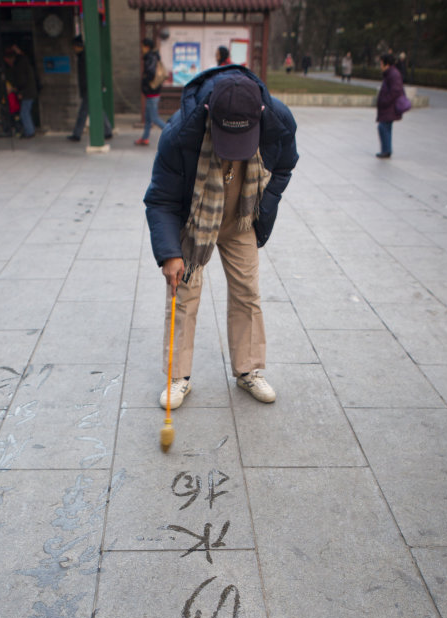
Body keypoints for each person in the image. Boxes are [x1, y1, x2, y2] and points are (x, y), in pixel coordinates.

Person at [144, 67, 298, 408]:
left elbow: (285, 166)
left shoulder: (278, 121)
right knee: (182, 295)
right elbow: (160, 199)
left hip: (241, 217)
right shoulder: (180, 132)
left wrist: (262, 210)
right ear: (209, 114)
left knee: (247, 292)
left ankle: (249, 370)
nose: (232, 152)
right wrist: (170, 252)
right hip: (196, 220)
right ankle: (178, 376)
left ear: (259, 114)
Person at [68, 35, 113, 142]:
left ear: (78, 46)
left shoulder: (85, 57)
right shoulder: (83, 56)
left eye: (74, 46)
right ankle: (107, 131)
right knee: (98, 110)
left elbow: (94, 73)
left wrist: (98, 86)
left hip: (89, 89)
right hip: (89, 89)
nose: (73, 49)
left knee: (83, 113)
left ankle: (77, 134)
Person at [135, 38, 166, 146]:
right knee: (148, 118)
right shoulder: (153, 57)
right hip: (151, 93)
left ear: (146, 47)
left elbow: (150, 73)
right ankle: (145, 138)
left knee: (154, 118)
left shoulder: (150, 57)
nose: (141, 49)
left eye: (142, 46)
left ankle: (171, 132)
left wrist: (144, 81)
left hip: (152, 92)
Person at [3, 45, 38, 138]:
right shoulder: (24, 62)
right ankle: (30, 130)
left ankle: (29, 132)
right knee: (26, 112)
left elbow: (22, 82)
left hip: (27, 92)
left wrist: (18, 91)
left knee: (24, 113)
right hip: (29, 92)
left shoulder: (20, 66)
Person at [376, 52, 405, 158]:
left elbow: (395, 91)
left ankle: (386, 150)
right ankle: (386, 150)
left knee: (383, 127)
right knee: (386, 127)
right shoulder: (390, 73)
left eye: (381, 63)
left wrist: (385, 101)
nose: (380, 66)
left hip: (390, 107)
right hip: (387, 107)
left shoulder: (393, 74)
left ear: (386, 64)